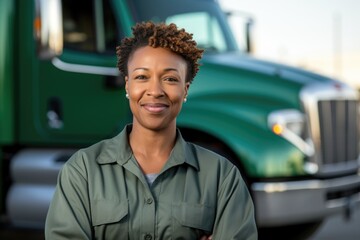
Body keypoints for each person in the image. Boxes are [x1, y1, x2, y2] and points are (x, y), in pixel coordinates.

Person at [45, 21, 258, 239]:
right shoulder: (82, 171)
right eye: (142, 77)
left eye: (170, 79)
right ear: (128, 85)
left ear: (185, 90)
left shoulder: (222, 177)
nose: (155, 91)